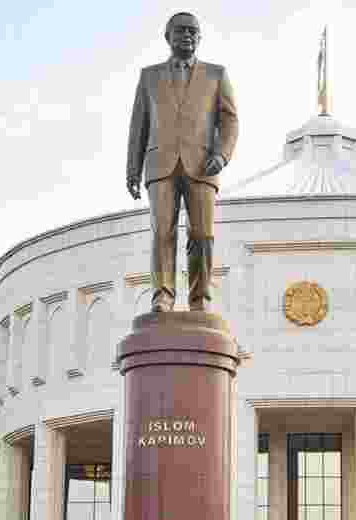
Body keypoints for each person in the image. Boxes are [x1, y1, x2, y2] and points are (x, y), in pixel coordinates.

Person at [126, 11, 239, 313]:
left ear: (199, 37)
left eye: (193, 31)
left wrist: (222, 154)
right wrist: (132, 169)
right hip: (159, 164)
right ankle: (163, 296)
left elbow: (229, 120)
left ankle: (199, 298)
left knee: (202, 234)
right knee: (162, 232)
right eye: (180, 31)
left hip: (203, 164)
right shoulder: (149, 76)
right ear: (168, 37)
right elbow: (139, 124)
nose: (187, 35)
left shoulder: (216, 74)